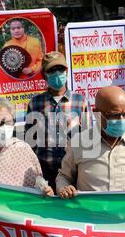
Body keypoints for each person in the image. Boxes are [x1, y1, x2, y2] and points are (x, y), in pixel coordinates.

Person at [55, 86, 125, 198]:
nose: (121, 120)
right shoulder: (78, 143)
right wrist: (64, 188)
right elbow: (64, 176)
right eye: (115, 115)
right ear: (96, 113)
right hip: (89, 213)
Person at [25, 51, 89, 191]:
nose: (57, 73)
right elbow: (30, 141)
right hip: (45, 171)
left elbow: (89, 137)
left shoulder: (80, 101)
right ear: (44, 75)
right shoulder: (35, 103)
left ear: (66, 71)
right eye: (52, 70)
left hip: (74, 171)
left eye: (60, 69)